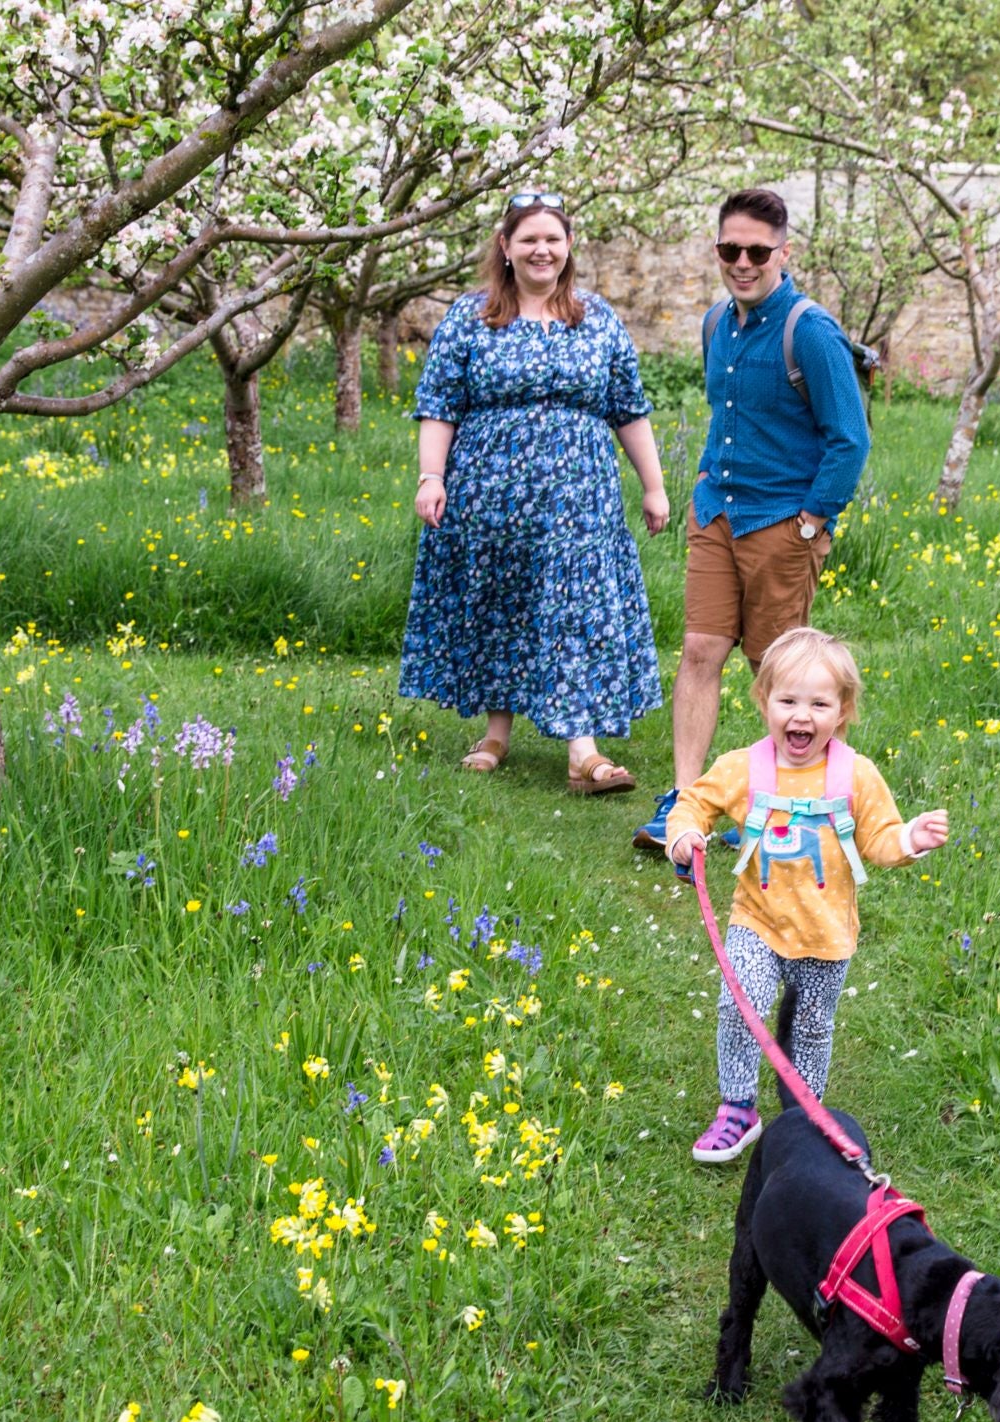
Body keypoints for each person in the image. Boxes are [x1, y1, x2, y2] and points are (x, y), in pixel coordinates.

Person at [633, 187, 872, 864]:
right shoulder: (717, 324)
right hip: (717, 514)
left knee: (781, 675)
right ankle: (689, 803)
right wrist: (704, 484)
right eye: (729, 249)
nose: (742, 262)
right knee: (700, 653)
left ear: (783, 253)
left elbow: (848, 440)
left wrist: (812, 521)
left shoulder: (811, 331)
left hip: (782, 523)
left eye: (757, 251)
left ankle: (786, 806)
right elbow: (726, 417)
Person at [404, 192, 671, 794]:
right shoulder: (470, 318)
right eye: (528, 239)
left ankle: (583, 751)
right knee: (504, 603)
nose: (541, 249)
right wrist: (432, 476)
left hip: (581, 499)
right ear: (505, 247)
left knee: (573, 607)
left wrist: (653, 487)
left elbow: (627, 408)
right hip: (490, 494)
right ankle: (496, 734)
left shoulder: (596, 317)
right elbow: (439, 405)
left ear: (568, 246)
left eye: (552, 238)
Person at [665, 628, 948, 1164]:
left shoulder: (855, 776)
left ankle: (804, 1115)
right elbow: (694, 802)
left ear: (842, 711)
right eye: (788, 701)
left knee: (813, 1027)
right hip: (758, 920)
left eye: (819, 703)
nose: (802, 715)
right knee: (738, 1006)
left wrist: (910, 838)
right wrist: (684, 833)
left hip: (826, 932)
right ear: (764, 701)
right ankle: (738, 1109)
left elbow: (881, 839)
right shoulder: (743, 768)